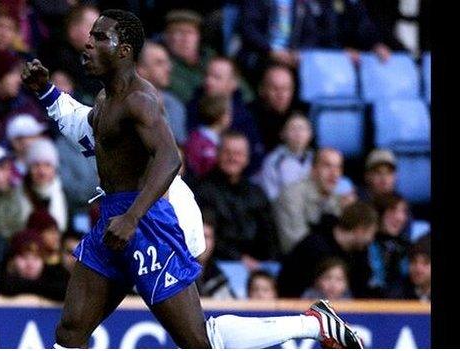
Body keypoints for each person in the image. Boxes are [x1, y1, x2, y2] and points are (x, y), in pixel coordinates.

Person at [21, 9, 362, 348]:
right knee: (69, 334)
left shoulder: (140, 100)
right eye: (90, 36)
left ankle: (313, 323)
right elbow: (89, 131)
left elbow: (170, 160)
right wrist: (47, 92)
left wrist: (132, 217)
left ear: (124, 50)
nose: (88, 45)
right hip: (116, 218)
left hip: (145, 221)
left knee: (200, 342)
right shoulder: (106, 98)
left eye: (99, 38)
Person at [195, 131, 281, 268]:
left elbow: (270, 235)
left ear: (247, 158)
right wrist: (239, 258)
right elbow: (205, 236)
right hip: (217, 264)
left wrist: (269, 262)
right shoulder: (202, 190)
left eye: (238, 153)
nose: (232, 158)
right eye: (227, 152)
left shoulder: (257, 193)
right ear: (217, 154)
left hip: (257, 266)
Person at [277, 201, 378, 298]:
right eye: (371, 233)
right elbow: (290, 284)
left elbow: (361, 288)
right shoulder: (312, 247)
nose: (371, 239)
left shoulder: (360, 252)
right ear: (359, 230)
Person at [273, 148, 347, 254]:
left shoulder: (338, 198)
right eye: (327, 166)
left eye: (338, 167)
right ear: (313, 170)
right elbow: (295, 244)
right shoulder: (292, 195)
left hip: (329, 261)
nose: (334, 173)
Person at [0, 228, 69, 301]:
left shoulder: (57, 274)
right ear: (12, 261)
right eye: (24, 257)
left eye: (36, 258)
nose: (30, 264)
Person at [137, 41, 188, 144]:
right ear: (140, 69)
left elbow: (178, 148)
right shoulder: (121, 103)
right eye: (159, 63)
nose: (168, 68)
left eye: (167, 62)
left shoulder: (174, 105)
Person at [256, 112, 314, 201]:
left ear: (310, 134)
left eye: (302, 128)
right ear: (283, 134)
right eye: (293, 129)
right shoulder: (273, 161)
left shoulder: (317, 158)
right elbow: (271, 196)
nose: (298, 134)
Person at [184, 94, 232, 177]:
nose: (230, 117)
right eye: (228, 112)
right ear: (221, 115)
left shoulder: (224, 139)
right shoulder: (196, 140)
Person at [195, 209, 236, 299]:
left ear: (214, 242)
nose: (202, 242)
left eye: (207, 237)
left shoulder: (218, 276)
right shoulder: (177, 271)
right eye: (199, 236)